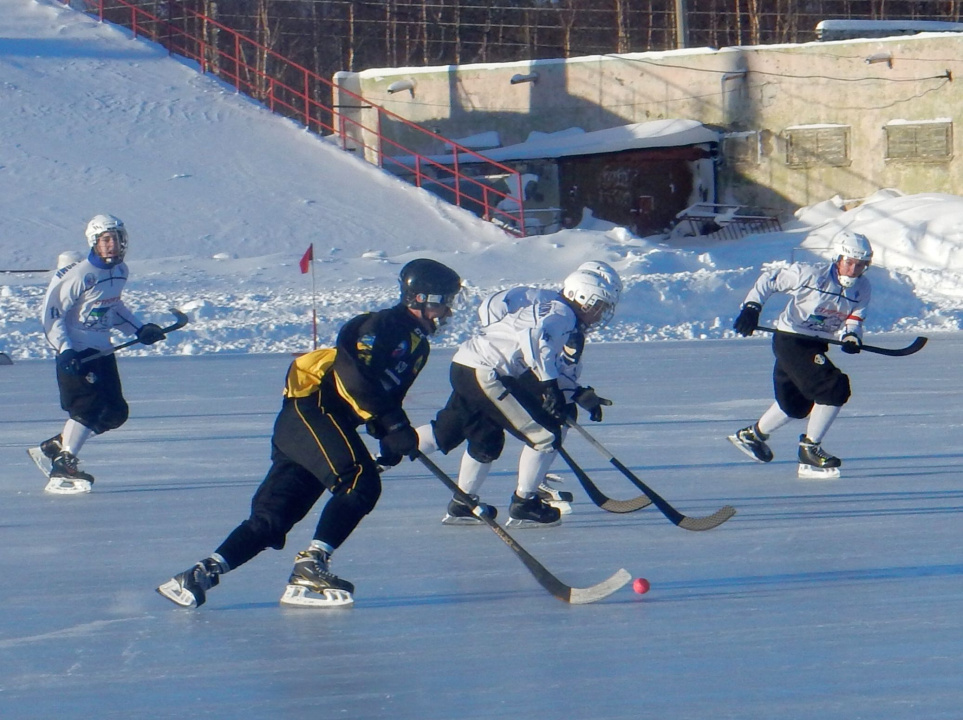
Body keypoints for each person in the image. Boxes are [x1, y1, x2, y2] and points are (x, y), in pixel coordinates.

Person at [157, 258, 462, 609]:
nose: (448, 311)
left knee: (274, 518)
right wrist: (394, 425)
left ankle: (198, 574)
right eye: (445, 301)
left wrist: (389, 439)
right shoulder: (378, 324)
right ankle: (311, 565)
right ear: (422, 297)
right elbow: (354, 378)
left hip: (319, 426)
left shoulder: (418, 346)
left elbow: (386, 396)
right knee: (359, 482)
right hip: (312, 412)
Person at [414, 261, 622, 527]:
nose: (601, 313)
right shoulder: (561, 314)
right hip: (486, 372)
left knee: (480, 437)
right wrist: (549, 386)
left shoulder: (560, 315)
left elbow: (551, 361)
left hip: (471, 366)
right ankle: (525, 502)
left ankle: (461, 502)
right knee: (546, 437)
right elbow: (534, 340)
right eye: (599, 306)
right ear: (582, 298)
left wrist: (577, 393)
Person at [29, 214, 167, 494]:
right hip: (78, 354)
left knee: (115, 412)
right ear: (94, 243)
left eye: (116, 239)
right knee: (86, 408)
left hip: (101, 349)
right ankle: (63, 466)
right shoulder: (80, 275)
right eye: (106, 240)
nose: (113, 245)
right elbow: (52, 316)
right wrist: (65, 350)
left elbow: (112, 307)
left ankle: (54, 447)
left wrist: (140, 329)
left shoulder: (120, 272)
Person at [728, 230, 873, 478]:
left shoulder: (862, 288)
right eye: (849, 262)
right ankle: (810, 450)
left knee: (795, 406)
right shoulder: (810, 274)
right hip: (791, 340)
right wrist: (752, 308)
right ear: (838, 259)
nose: (853, 270)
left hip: (816, 345)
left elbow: (855, 317)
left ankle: (752, 436)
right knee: (834, 387)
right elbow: (770, 279)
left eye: (860, 265)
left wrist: (851, 336)